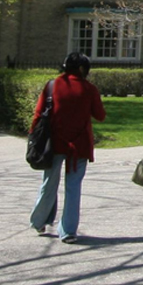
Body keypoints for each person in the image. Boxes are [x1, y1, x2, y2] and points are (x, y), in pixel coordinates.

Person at [29, 52, 106, 244]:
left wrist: (33, 136)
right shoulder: (89, 89)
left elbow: (39, 114)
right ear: (82, 69)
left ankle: (39, 221)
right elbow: (100, 115)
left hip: (53, 144)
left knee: (49, 184)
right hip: (79, 145)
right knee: (73, 188)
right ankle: (68, 230)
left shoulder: (53, 85)